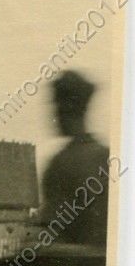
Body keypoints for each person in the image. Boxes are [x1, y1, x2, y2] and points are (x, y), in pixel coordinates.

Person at [40, 70, 110, 247]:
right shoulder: (107, 156)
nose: (52, 114)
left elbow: (54, 235)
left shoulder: (59, 164)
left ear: (65, 108)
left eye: (54, 106)